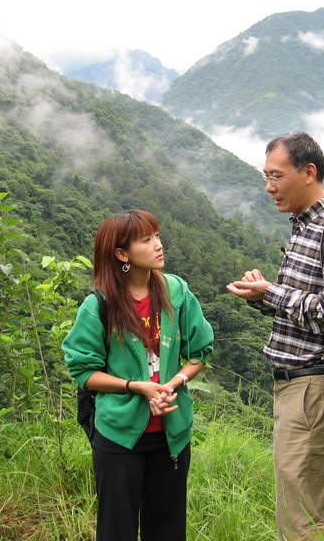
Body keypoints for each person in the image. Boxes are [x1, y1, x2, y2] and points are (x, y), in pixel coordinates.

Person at [226, 132, 324, 541]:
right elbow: (306, 311)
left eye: (276, 176)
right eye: (266, 176)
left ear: (309, 172)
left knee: (303, 520)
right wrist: (262, 295)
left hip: (315, 385)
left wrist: (272, 292)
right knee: (307, 508)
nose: (269, 187)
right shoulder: (305, 227)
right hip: (300, 386)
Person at [63, 209, 214, 541]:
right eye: (146, 240)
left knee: (167, 530)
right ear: (122, 254)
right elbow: (84, 371)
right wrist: (137, 387)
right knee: (117, 530)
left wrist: (172, 384)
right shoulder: (99, 304)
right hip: (119, 435)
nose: (158, 244)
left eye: (157, 236)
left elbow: (199, 352)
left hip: (171, 434)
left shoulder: (175, 291)